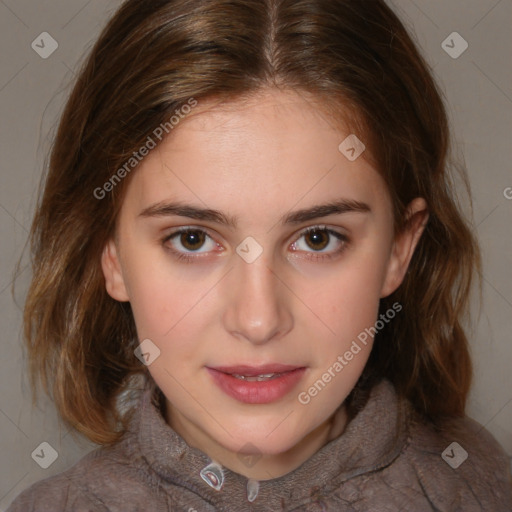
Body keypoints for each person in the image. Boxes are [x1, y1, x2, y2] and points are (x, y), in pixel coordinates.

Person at [7, 0, 512, 510]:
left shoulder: (482, 489)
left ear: (398, 249)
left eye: (318, 238)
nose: (257, 320)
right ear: (110, 255)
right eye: (192, 239)